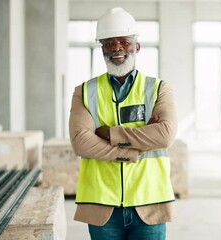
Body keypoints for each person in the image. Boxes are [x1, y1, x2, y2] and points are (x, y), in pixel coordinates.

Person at [69, 7, 177, 240]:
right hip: (101, 206)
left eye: (124, 42)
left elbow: (165, 135)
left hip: (149, 203)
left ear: (136, 47)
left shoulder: (158, 89)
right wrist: (134, 148)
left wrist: (110, 134)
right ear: (102, 49)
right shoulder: (85, 92)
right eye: (109, 43)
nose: (117, 48)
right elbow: (80, 142)